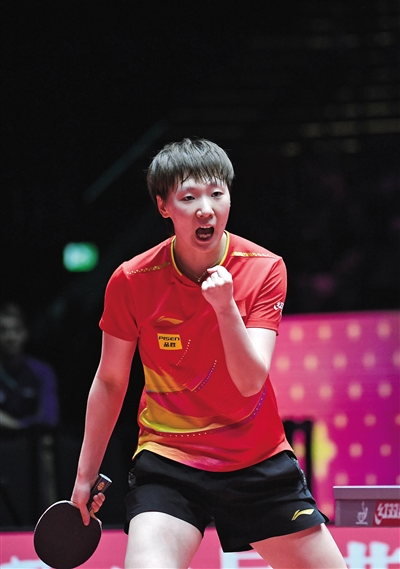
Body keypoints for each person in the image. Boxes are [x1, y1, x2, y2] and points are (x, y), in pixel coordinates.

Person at [71, 139, 347, 568]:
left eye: (217, 193)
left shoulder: (264, 268)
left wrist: (225, 307)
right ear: (163, 206)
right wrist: (84, 477)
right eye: (189, 197)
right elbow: (110, 381)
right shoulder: (132, 279)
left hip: (256, 458)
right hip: (170, 461)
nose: (206, 209)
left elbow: (250, 381)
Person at [0, 301, 59, 430]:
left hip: (31, 440)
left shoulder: (43, 372)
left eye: (16, 330)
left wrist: (16, 426)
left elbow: (49, 418)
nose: (10, 337)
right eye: (3, 330)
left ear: (25, 334)